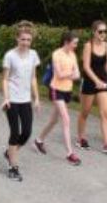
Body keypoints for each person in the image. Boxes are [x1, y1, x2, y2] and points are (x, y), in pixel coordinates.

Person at [0, 21, 41, 181]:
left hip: (25, 99)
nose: (25, 43)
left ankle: (10, 152)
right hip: (12, 99)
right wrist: (6, 98)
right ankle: (13, 166)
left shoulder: (33, 55)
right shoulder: (10, 56)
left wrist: (36, 98)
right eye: (23, 39)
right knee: (15, 132)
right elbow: (4, 79)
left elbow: (33, 78)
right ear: (17, 39)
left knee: (27, 132)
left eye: (28, 40)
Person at [35, 31, 82, 165]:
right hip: (56, 90)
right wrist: (71, 73)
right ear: (67, 42)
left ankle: (39, 140)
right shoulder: (57, 54)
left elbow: (78, 74)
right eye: (75, 43)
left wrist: (70, 74)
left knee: (54, 120)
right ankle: (69, 153)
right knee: (66, 119)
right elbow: (59, 75)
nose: (76, 45)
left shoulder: (73, 55)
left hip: (67, 91)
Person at [77, 20, 107, 154]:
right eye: (100, 31)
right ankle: (81, 138)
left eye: (105, 31)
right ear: (94, 32)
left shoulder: (106, 46)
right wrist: (96, 81)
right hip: (89, 82)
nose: (103, 34)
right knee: (85, 112)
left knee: (106, 113)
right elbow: (86, 67)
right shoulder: (88, 46)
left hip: (102, 82)